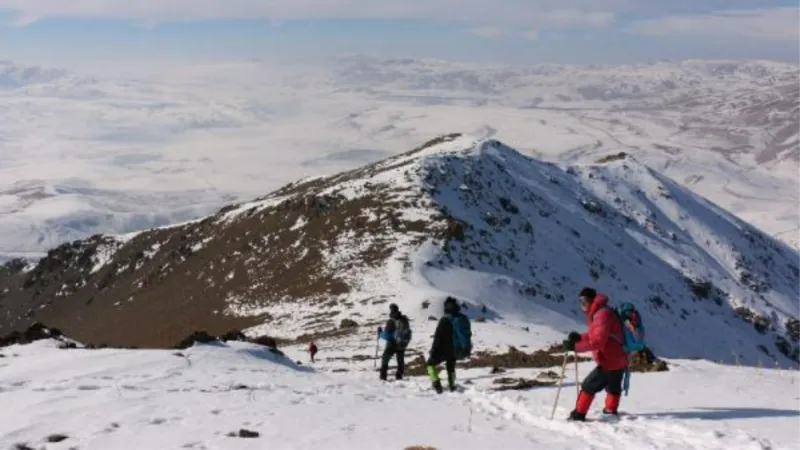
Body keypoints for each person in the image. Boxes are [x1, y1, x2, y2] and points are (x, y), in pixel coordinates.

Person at [563, 287, 629, 421]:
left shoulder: (601, 315)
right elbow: (597, 334)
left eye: (585, 301)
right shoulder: (603, 311)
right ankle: (610, 410)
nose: (583, 305)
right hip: (620, 358)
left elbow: (598, 341)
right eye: (580, 302)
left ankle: (578, 414)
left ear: (593, 300)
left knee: (588, 386)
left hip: (609, 360)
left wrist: (575, 347)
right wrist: (580, 338)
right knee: (613, 385)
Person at [426, 296, 465, 394]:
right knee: (451, 368)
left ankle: (436, 383)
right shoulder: (459, 319)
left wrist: (433, 349)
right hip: (454, 349)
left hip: (442, 349)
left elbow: (438, 337)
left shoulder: (444, 319)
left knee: (430, 364)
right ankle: (452, 386)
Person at [377, 303, 411, 381]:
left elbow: (387, 335)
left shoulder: (391, 321)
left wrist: (380, 333)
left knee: (385, 358)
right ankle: (399, 376)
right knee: (400, 360)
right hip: (402, 343)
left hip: (392, 344)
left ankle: (383, 376)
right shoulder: (404, 319)